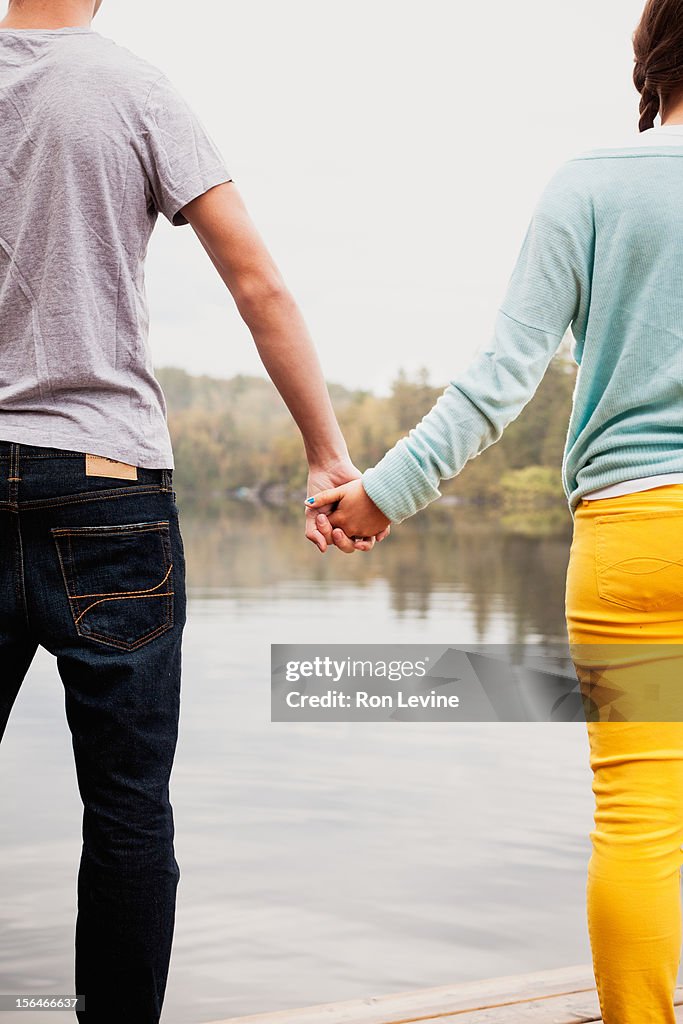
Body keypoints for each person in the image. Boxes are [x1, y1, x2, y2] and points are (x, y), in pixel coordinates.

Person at [0, 1, 388, 1021]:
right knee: (125, 810)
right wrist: (324, 454)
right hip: (107, 483)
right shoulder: (132, 88)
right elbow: (253, 279)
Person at [307, 0, 683, 1020]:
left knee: (642, 814)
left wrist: (382, 495)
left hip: (629, 540)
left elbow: (496, 382)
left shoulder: (591, 187)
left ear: (651, 60)